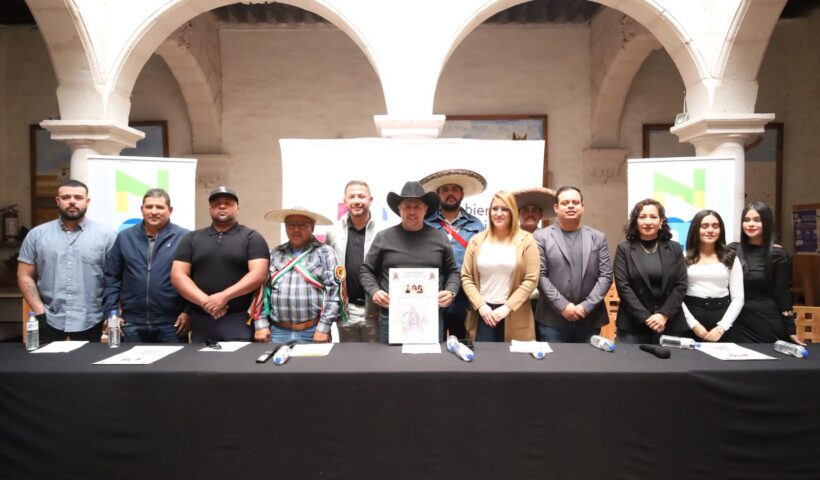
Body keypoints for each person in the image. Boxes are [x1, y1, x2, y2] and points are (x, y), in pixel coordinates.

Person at [360, 181, 460, 343]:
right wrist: (374, 291)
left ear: (426, 209)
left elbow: (454, 272)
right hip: (391, 319)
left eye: (417, 206)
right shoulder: (383, 238)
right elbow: (366, 270)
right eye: (407, 206)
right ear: (399, 209)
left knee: (430, 359)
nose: (412, 211)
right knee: (391, 359)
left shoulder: (440, 238)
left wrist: (451, 291)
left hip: (430, 319)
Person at [17, 180, 116, 342]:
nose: (72, 201)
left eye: (78, 197)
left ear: (87, 201)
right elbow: (24, 275)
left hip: (92, 320)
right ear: (58, 201)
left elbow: (115, 278)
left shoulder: (107, 236)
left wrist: (110, 313)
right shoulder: (37, 235)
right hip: (49, 318)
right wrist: (39, 311)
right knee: (46, 359)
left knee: (89, 360)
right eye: (66, 197)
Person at [171, 186, 269, 342]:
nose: (222, 206)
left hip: (238, 319)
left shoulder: (252, 237)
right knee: (199, 358)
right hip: (201, 319)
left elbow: (259, 274)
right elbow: (178, 275)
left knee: (238, 358)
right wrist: (206, 302)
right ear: (210, 209)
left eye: (228, 203)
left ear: (237, 209)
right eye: (217, 203)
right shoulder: (192, 238)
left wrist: (224, 296)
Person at [102, 188, 191, 343]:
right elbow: (112, 278)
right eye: (149, 207)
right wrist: (112, 314)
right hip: (130, 323)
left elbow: (195, 278)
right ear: (142, 209)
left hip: (172, 324)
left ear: (170, 210)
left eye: (160, 207)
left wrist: (189, 312)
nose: (154, 211)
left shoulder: (184, 237)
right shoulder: (125, 237)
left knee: (174, 360)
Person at [533, 186, 612, 343]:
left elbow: (606, 276)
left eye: (575, 203)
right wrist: (563, 306)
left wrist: (586, 306)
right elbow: (540, 275)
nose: (570, 206)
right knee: (555, 360)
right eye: (565, 203)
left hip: (589, 319)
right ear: (556, 208)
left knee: (588, 359)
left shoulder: (598, 237)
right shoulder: (541, 237)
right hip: (552, 320)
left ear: (582, 206)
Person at [254, 206, 344, 344]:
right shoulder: (275, 253)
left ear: (312, 227)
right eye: (291, 225)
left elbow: (335, 292)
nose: (296, 229)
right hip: (277, 331)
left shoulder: (326, 253)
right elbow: (260, 290)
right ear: (285, 227)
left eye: (302, 225)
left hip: (313, 331)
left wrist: (323, 328)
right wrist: (261, 325)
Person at [461, 191, 539, 342]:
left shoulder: (526, 240)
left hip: (514, 312)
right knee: (484, 356)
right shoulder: (476, 241)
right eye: (495, 208)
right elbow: (466, 277)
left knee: (513, 357)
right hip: (484, 314)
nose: (498, 213)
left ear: (513, 212)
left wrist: (507, 307)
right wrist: (481, 306)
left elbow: (531, 279)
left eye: (505, 209)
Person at [419, 169, 486, 339]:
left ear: (462, 194)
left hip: (464, 295)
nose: (450, 194)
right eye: (445, 190)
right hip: (431, 292)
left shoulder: (476, 225)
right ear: (438, 194)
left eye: (455, 189)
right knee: (432, 340)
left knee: (462, 341)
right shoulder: (424, 223)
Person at [613, 198, 688, 343]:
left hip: (670, 323)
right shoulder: (624, 249)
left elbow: (681, 284)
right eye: (642, 217)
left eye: (653, 217)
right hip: (633, 325)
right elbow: (623, 286)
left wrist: (663, 315)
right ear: (635, 221)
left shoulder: (674, 248)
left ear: (661, 221)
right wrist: (646, 317)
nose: (648, 222)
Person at [728, 201, 801, 344]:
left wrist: (791, 329)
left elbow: (782, 294)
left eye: (757, 220)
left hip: (765, 321)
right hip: (735, 320)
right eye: (746, 220)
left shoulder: (778, 254)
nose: (750, 224)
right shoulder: (732, 250)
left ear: (767, 223)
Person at [325, 180, 380, 342]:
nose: (356, 201)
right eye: (352, 197)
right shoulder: (333, 232)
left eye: (361, 196)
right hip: (346, 311)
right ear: (345, 201)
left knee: (378, 355)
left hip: (375, 311)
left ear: (370, 199)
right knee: (349, 356)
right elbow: (328, 271)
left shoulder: (383, 231)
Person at [681, 209, 743, 342]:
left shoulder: (731, 258)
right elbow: (677, 296)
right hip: (691, 317)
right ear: (695, 229)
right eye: (704, 226)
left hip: (723, 318)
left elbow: (738, 298)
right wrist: (693, 324)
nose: (710, 230)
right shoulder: (683, 258)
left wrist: (722, 327)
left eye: (715, 226)